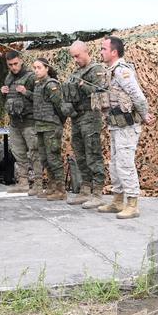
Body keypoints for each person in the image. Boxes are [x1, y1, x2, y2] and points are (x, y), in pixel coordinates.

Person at [94, 35, 151, 220]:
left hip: (127, 126)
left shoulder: (121, 71)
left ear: (114, 52)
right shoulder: (109, 71)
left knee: (125, 163)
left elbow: (138, 96)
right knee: (115, 164)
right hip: (116, 125)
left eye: (103, 49)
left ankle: (132, 204)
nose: (101, 52)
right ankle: (118, 200)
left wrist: (144, 115)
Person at [63, 41, 106, 207]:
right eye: (73, 56)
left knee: (93, 153)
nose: (75, 59)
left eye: (77, 55)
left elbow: (101, 93)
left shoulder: (97, 70)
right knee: (80, 154)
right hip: (76, 117)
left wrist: (84, 85)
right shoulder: (75, 72)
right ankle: (85, 190)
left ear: (86, 52)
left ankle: (97, 193)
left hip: (90, 116)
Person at [31, 58, 70, 201]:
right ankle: (52, 186)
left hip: (51, 126)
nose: (36, 70)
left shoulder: (51, 84)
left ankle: (61, 190)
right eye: (34, 67)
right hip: (40, 126)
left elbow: (61, 106)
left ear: (47, 68)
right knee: (45, 159)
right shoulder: (37, 85)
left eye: (39, 67)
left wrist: (59, 122)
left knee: (53, 158)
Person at [0, 50, 38, 193]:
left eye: (16, 63)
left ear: (21, 61)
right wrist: (3, 93)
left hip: (29, 121)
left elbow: (41, 99)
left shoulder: (31, 77)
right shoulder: (8, 78)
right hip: (15, 122)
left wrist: (26, 92)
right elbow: (7, 101)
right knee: (18, 153)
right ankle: (23, 182)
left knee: (34, 153)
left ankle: (37, 184)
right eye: (10, 65)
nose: (14, 67)